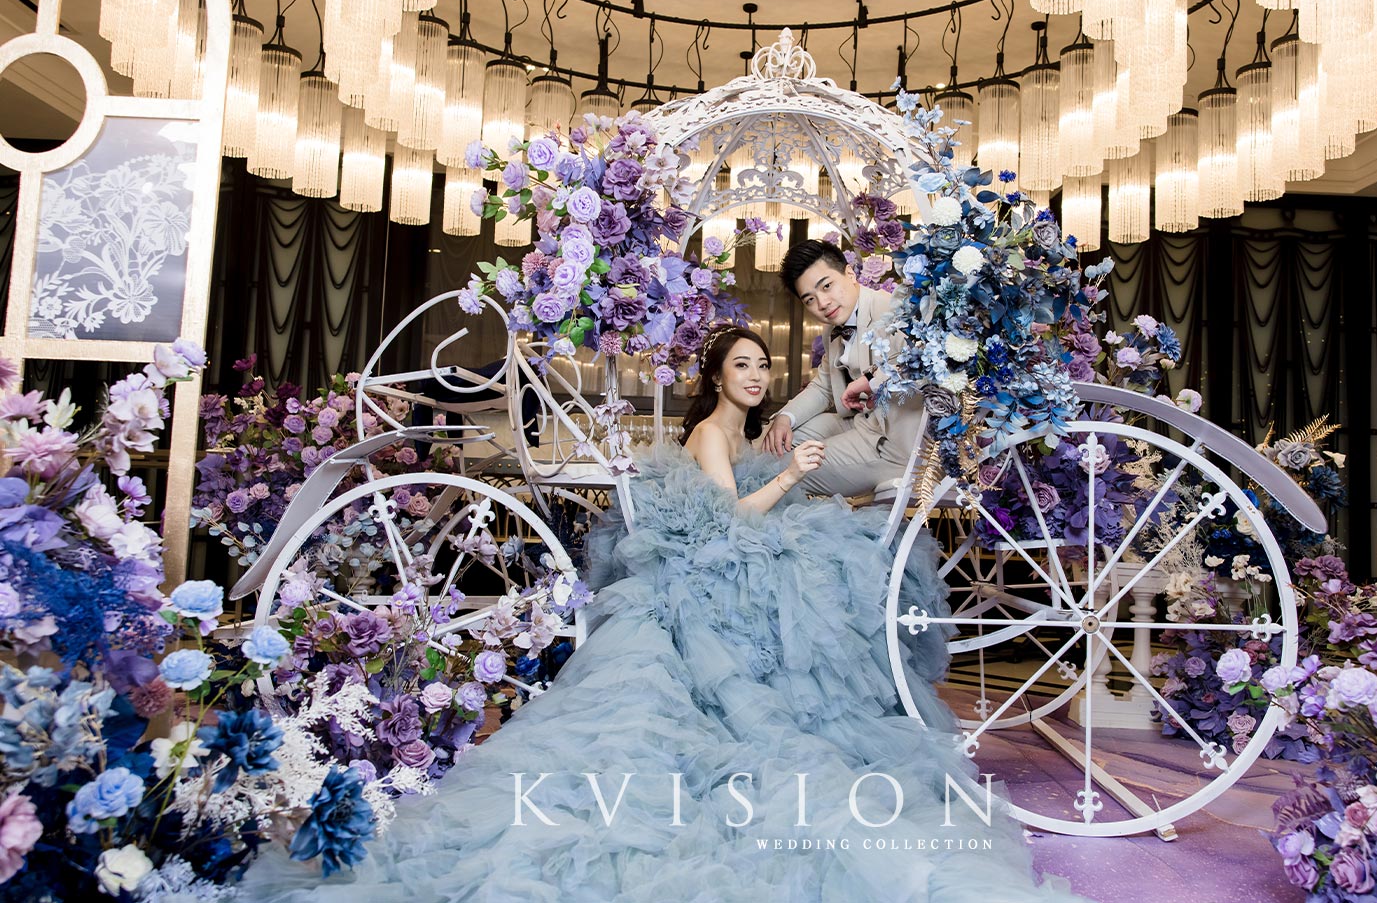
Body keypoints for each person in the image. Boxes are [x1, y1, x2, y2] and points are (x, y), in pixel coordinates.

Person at [241, 326, 1083, 903]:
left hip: (735, 556)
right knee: (823, 581)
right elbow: (730, 522)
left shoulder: (746, 436)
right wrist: (797, 478)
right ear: (717, 376)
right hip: (709, 572)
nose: (755, 376)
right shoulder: (715, 433)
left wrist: (811, 467)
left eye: (763, 366)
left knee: (840, 558)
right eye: (742, 365)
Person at [761, 242, 925, 498]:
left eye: (827, 286)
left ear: (849, 274)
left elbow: (927, 362)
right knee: (769, 444)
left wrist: (872, 381)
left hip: (894, 443)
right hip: (859, 424)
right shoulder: (833, 329)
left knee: (784, 467)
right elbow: (824, 386)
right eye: (810, 299)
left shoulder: (894, 309)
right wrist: (784, 418)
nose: (822, 303)